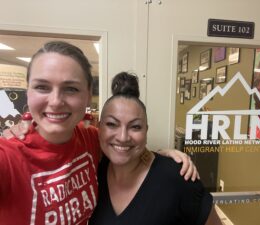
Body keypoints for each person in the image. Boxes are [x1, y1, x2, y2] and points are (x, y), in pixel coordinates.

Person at [0, 41, 199, 225]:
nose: (55, 101)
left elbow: (125, 146)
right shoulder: (8, 155)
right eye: (42, 87)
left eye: (70, 89)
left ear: (88, 96)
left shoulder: (91, 140)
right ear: (28, 92)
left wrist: (164, 157)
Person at [89, 72, 222, 225]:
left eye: (135, 126)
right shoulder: (92, 172)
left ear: (146, 131)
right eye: (112, 124)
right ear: (99, 128)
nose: (123, 137)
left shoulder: (179, 179)